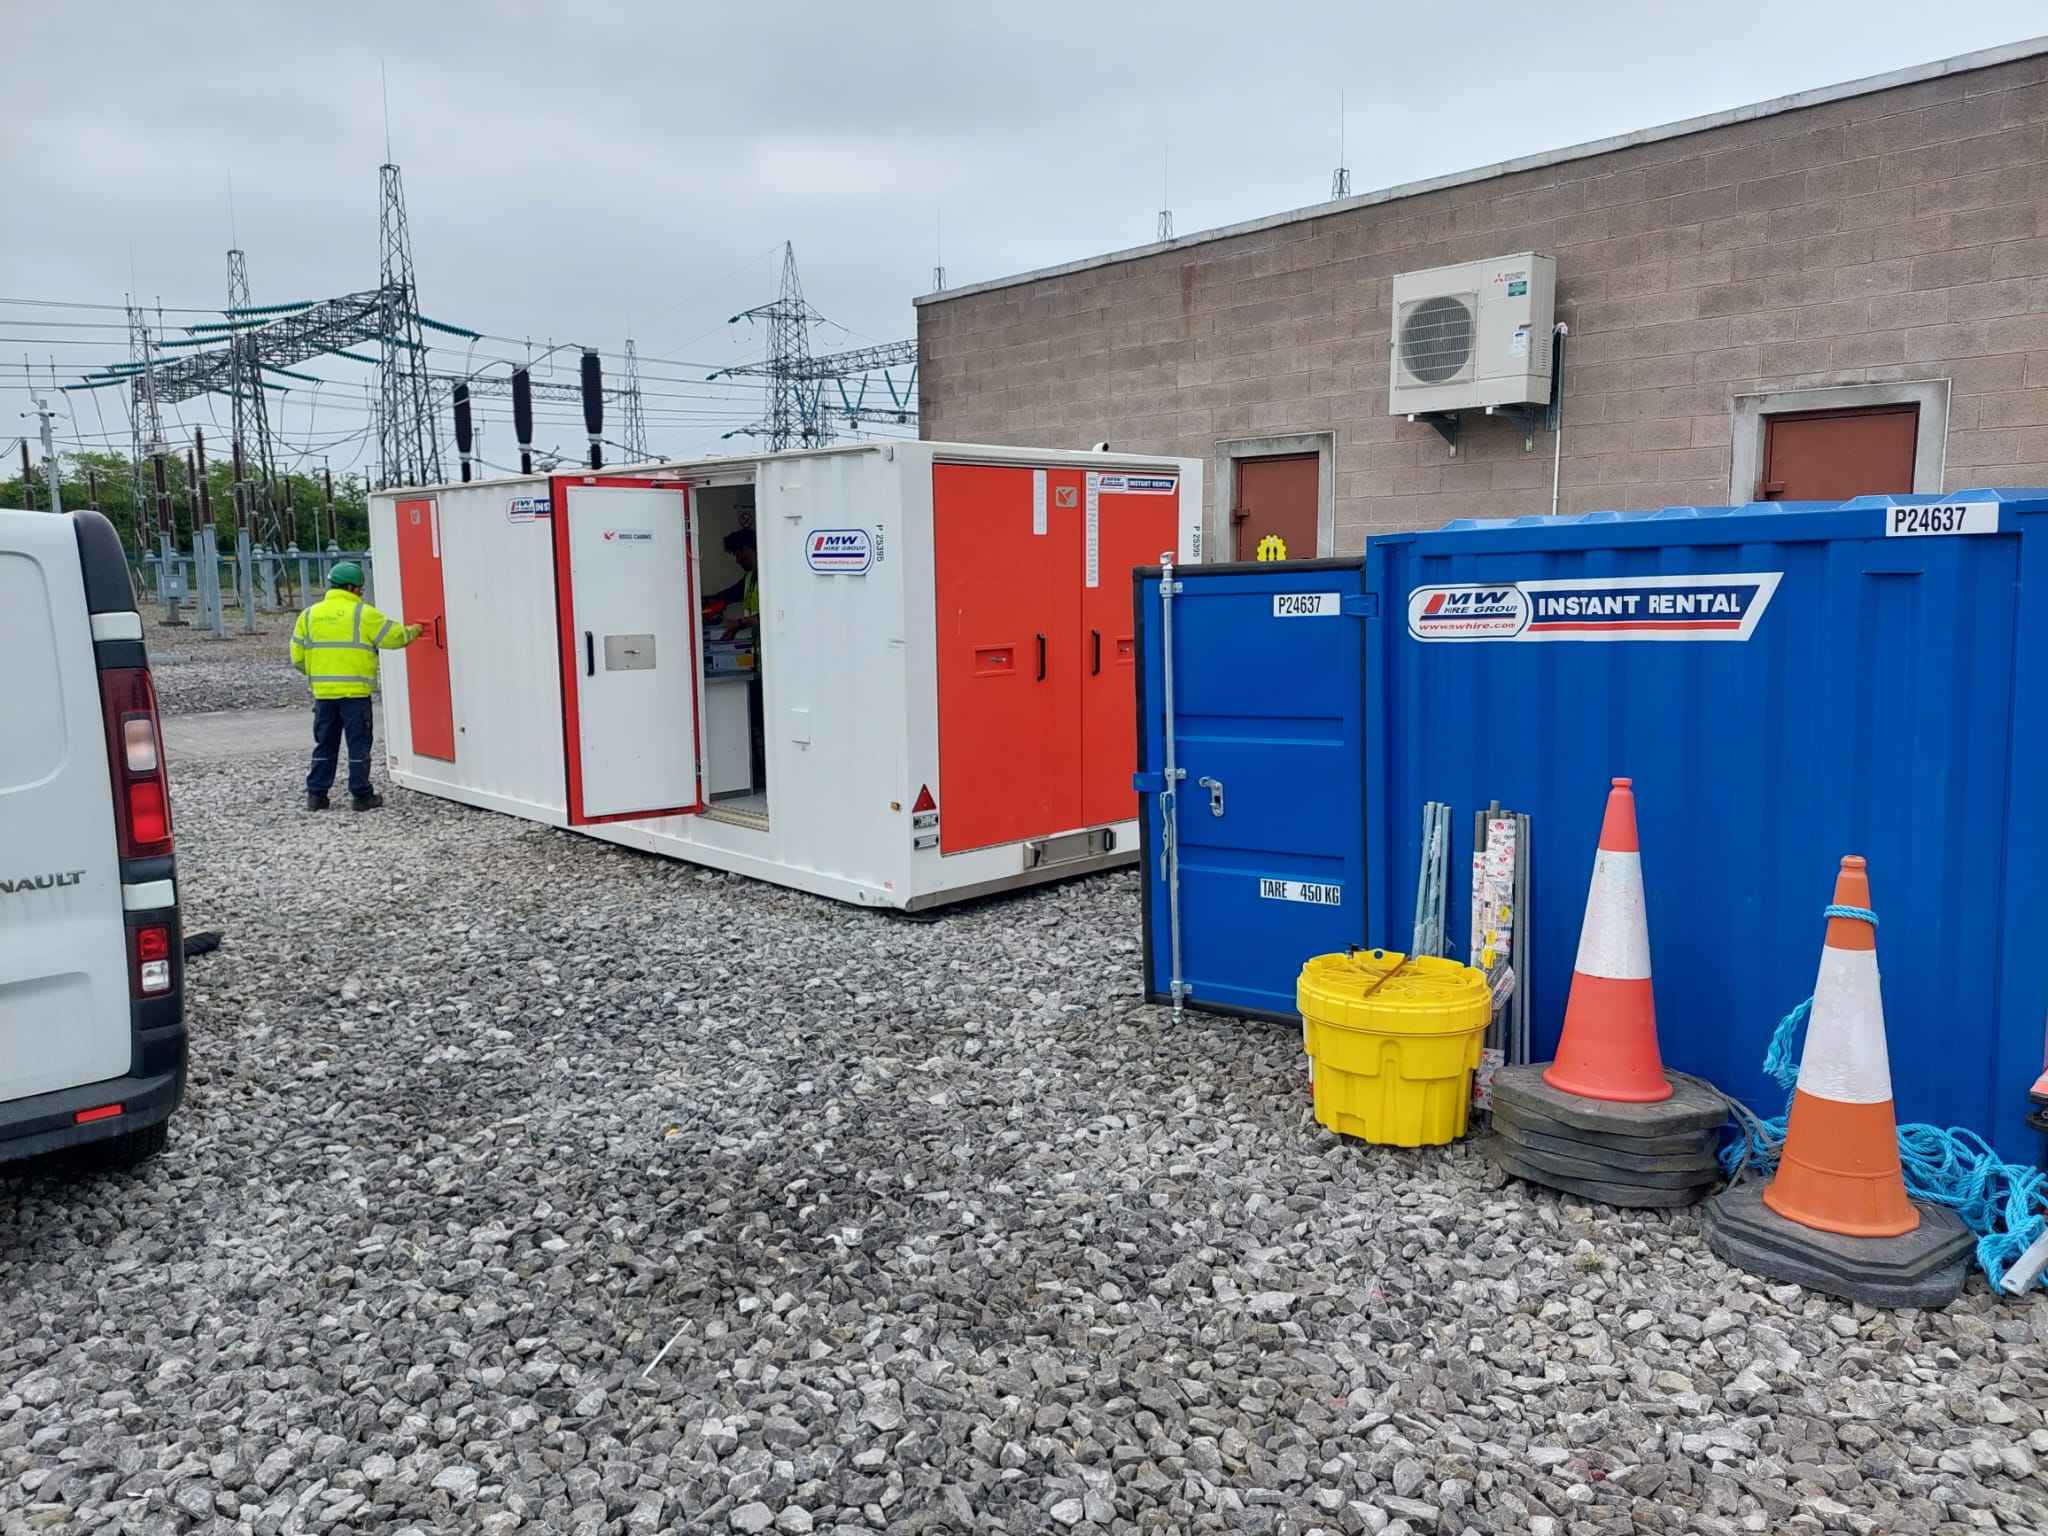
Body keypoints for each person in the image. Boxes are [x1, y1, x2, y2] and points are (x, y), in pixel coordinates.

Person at [289, 561, 426, 811]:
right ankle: (362, 796)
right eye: (360, 589)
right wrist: (416, 631)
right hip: (355, 694)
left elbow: (297, 657)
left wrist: (320, 672)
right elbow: (393, 637)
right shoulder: (363, 613)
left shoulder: (308, 615)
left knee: (325, 744)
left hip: (323, 695)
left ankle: (317, 796)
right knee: (358, 745)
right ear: (352, 587)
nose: (361, 594)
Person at [714, 528, 759, 640]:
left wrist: (738, 624)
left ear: (745, 550)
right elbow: (730, 595)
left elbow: (771, 616)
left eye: (736, 554)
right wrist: (711, 604)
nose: (737, 560)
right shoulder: (749, 578)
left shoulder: (769, 578)